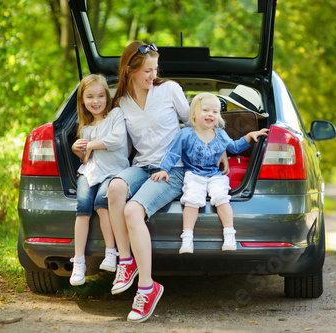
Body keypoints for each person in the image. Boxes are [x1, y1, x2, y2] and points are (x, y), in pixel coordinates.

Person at [105, 41, 228, 323]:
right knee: (115, 188)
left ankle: (147, 287)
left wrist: (220, 148)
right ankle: (126, 260)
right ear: (130, 70)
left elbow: (199, 121)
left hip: (172, 169)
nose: (152, 74)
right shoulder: (121, 102)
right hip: (141, 166)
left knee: (132, 211)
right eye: (147, 70)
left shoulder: (169, 90)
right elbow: (113, 137)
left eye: (155, 69)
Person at [151, 92, 268, 254]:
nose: (210, 114)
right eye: (206, 110)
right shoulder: (186, 134)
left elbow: (234, 148)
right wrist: (164, 169)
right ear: (194, 114)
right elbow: (173, 153)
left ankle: (229, 234)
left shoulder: (220, 134)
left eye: (215, 112)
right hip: (193, 174)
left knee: (221, 197)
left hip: (215, 175)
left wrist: (248, 136)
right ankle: (187, 237)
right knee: (191, 200)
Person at [69, 74, 129, 286]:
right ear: (83, 101)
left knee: (102, 204)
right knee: (83, 206)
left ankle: (111, 253)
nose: (96, 101)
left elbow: (116, 140)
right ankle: (78, 262)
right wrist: (77, 151)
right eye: (90, 97)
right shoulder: (85, 128)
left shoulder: (115, 115)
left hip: (114, 171)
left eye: (100, 96)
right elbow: (87, 159)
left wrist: (90, 145)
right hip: (91, 171)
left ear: (107, 97)